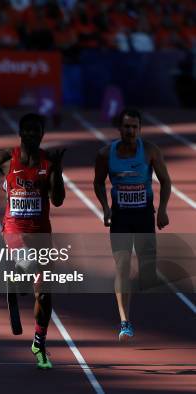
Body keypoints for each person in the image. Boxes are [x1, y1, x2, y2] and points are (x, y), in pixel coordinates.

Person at [0, 113, 65, 369]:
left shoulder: (48, 162)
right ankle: (16, 278)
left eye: (37, 131)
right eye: (28, 131)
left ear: (42, 134)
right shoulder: (5, 158)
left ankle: (39, 343)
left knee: (44, 295)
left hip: (42, 233)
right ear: (21, 133)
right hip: (13, 229)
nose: (32, 135)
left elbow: (57, 200)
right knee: (27, 264)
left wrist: (59, 170)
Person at [94, 108, 171, 341]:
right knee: (122, 265)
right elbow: (97, 183)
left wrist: (163, 210)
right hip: (121, 218)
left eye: (134, 127)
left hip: (144, 216)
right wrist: (106, 208)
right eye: (126, 126)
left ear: (139, 129)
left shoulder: (149, 151)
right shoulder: (106, 154)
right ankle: (125, 322)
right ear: (119, 129)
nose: (130, 131)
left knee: (148, 274)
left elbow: (166, 181)